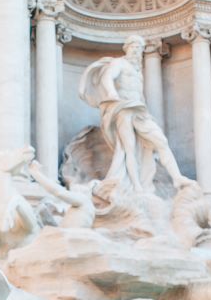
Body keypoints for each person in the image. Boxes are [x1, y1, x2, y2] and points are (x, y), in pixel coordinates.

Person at [79, 35, 189, 192]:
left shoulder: (138, 71)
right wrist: (111, 93)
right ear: (127, 48)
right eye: (134, 47)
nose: (137, 51)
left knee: (161, 141)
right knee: (129, 149)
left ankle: (177, 178)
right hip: (123, 109)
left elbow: (140, 94)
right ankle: (137, 187)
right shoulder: (119, 63)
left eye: (140, 48)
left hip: (139, 110)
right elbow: (107, 77)